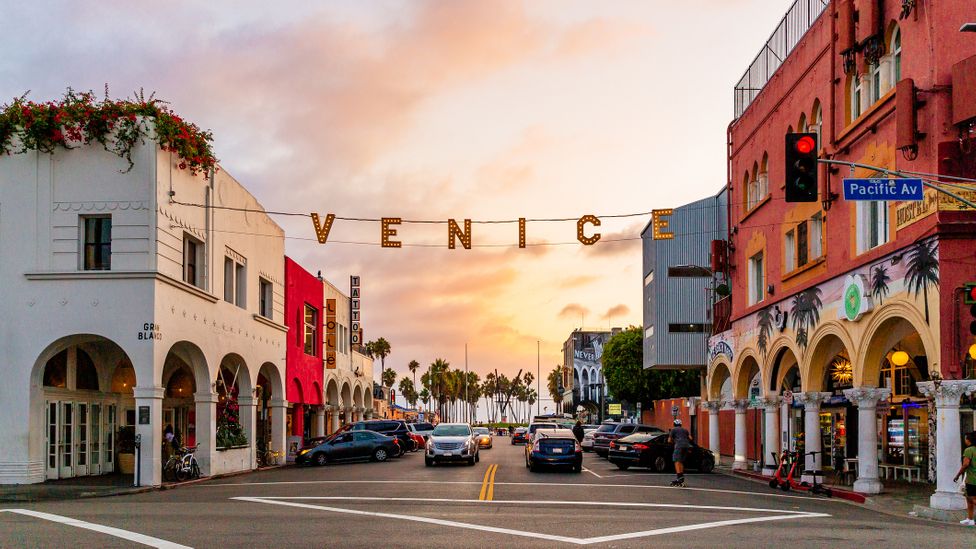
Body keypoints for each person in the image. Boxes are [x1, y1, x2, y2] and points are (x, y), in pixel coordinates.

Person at [953, 431, 976, 526]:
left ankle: (970, 519)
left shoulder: (969, 450)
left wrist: (958, 475)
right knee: (968, 498)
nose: (965, 440)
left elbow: (966, 464)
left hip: (972, 478)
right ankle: (970, 519)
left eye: (966, 438)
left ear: (969, 440)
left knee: (971, 499)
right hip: (971, 478)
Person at [668, 419, 693, 487]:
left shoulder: (673, 430)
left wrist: (675, 441)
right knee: (681, 461)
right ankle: (681, 477)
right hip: (686, 446)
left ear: (674, 424)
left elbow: (669, 440)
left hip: (678, 446)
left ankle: (679, 477)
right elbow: (691, 438)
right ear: (681, 424)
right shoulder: (685, 430)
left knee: (676, 461)